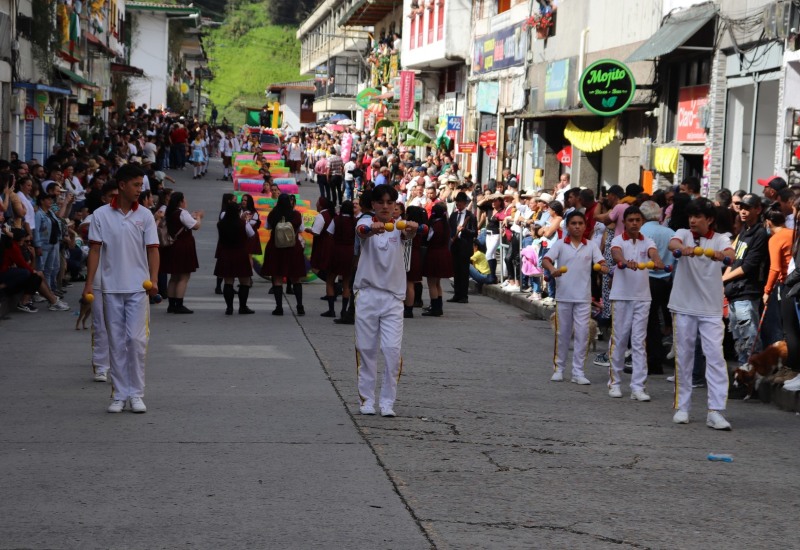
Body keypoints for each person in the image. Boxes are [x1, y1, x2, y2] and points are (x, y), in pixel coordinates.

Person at [83, 163, 159, 414]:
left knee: (136, 341)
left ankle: (136, 393)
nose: (140, 190)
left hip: (138, 288)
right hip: (110, 288)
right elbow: (94, 250)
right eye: (136, 185)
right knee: (116, 342)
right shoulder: (101, 215)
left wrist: (154, 280)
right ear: (122, 185)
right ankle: (118, 394)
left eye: (141, 185)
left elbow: (153, 250)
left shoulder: (145, 216)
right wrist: (88, 284)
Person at [667, 198, 734, 430]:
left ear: (710, 219)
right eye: (691, 216)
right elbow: (672, 244)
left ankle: (715, 411)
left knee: (715, 356)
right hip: (684, 305)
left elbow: (730, 254)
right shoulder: (683, 233)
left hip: (711, 309)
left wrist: (720, 255)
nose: (693, 220)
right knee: (684, 357)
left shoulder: (721, 238)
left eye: (698, 217)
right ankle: (682, 407)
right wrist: (682, 249)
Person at [354, 184, 419, 417]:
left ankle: (387, 402)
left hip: (393, 297)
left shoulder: (399, 227)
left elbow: (409, 233)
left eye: (389, 203)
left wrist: (412, 227)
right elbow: (362, 231)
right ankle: (367, 400)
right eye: (380, 202)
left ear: (395, 206)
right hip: (368, 294)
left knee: (391, 350)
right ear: (373, 204)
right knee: (366, 349)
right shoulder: (364, 222)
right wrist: (372, 230)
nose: (385, 206)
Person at [542, 211, 607, 384]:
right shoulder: (561, 244)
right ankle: (559, 368)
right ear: (567, 226)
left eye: (580, 223)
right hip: (563, 296)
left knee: (582, 334)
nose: (577, 226)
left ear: (585, 226)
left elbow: (600, 262)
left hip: (583, 298)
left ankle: (578, 372)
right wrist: (552, 269)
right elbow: (546, 259)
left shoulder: (591, 245)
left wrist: (603, 267)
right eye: (573, 223)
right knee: (562, 333)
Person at [607, 206, 663, 401]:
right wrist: (624, 261)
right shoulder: (617, 240)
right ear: (625, 222)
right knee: (620, 339)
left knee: (639, 342)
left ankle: (638, 387)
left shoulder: (648, 240)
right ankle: (614, 383)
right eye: (630, 220)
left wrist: (657, 260)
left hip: (642, 298)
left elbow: (653, 252)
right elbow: (616, 254)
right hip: (621, 296)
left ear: (642, 222)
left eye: (637, 220)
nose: (633, 223)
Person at [722, 193, 768, 368]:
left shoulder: (760, 233)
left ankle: (751, 377)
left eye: (748, 207)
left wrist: (723, 278)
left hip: (747, 293)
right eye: (741, 207)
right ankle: (742, 376)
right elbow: (733, 259)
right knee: (739, 340)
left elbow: (748, 266)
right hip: (735, 292)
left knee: (749, 341)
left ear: (758, 209)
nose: (743, 211)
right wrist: (724, 281)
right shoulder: (744, 231)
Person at [639, 200, 676, 375]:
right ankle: (658, 357)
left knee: (650, 322)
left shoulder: (641, 232)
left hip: (648, 280)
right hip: (667, 281)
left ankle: (652, 360)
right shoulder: (670, 232)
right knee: (664, 320)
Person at [260, 193, 306, 316]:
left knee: (277, 277)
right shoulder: (296, 214)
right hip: (292, 248)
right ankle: (300, 306)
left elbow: (267, 227)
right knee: (296, 278)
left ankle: (279, 307)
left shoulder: (273, 214)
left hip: (276, 248)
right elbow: (301, 229)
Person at [160, 192, 203, 314]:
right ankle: (179, 304)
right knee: (184, 276)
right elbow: (196, 226)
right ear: (180, 201)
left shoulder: (170, 212)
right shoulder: (182, 213)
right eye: (184, 199)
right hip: (183, 246)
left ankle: (171, 304)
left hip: (172, 246)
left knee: (174, 277)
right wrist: (198, 216)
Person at [215, 201, 255, 315]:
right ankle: (242, 307)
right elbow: (252, 235)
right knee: (244, 281)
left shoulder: (220, 224)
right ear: (238, 212)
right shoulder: (243, 223)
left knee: (228, 281)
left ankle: (229, 307)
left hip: (226, 253)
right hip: (240, 253)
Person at [325, 200, 356, 320]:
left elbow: (329, 233)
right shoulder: (354, 221)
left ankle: (331, 309)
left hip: (336, 251)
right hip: (350, 252)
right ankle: (344, 310)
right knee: (347, 283)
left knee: (330, 280)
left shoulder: (336, 219)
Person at [421, 202, 453, 317]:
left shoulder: (435, 225)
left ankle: (434, 308)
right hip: (444, 254)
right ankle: (438, 307)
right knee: (438, 282)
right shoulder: (446, 224)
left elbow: (429, 238)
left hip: (434, 254)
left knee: (432, 283)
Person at [448, 191, 477, 303]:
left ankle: (464, 296)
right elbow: (450, 229)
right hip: (455, 245)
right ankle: (457, 294)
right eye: (457, 203)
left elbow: (474, 233)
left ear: (465, 203)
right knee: (456, 271)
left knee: (464, 272)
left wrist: (464, 230)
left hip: (465, 246)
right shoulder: (454, 215)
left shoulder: (470, 216)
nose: (458, 206)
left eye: (460, 203)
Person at [403, 206, 428, 318]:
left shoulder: (408, 225)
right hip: (417, 255)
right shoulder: (421, 226)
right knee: (411, 283)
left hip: (408, 254)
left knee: (408, 283)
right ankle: (409, 308)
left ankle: (407, 308)